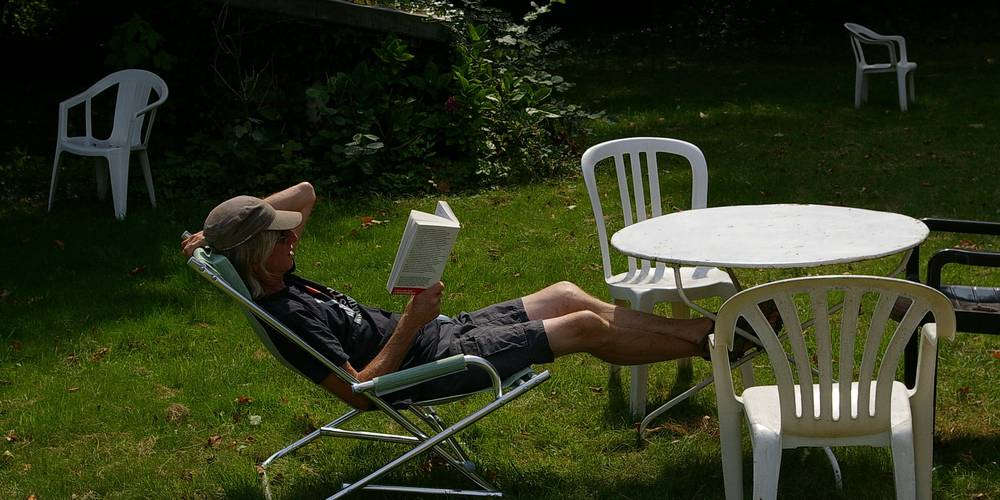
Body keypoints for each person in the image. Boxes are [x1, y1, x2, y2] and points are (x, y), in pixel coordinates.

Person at [182, 182, 718, 410]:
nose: (296, 235)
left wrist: (224, 233)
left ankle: (708, 333)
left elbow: (304, 194)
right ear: (257, 255)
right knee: (585, 327)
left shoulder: (275, 272)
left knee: (564, 293)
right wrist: (413, 324)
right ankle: (710, 344)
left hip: (432, 336)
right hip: (425, 363)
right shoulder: (288, 315)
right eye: (281, 236)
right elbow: (359, 393)